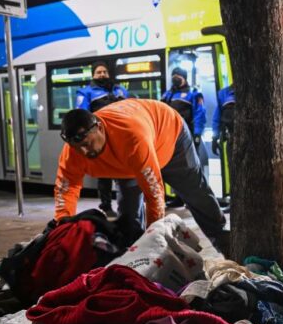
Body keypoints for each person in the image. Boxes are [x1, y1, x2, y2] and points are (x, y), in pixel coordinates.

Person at [54, 99, 227, 248]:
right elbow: (66, 191)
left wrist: (155, 238)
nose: (84, 152)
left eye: (88, 144)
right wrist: (63, 228)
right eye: (78, 148)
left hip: (171, 140)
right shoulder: (72, 153)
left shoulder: (130, 136)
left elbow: (154, 194)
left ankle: (227, 244)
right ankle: (135, 260)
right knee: (129, 219)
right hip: (129, 163)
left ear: (99, 127)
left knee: (197, 195)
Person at [75, 60, 131, 218]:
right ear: (93, 74)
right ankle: (106, 206)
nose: (102, 74)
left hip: (121, 138)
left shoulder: (120, 90)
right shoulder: (86, 92)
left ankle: (126, 206)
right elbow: (81, 115)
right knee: (104, 174)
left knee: (124, 173)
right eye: (98, 72)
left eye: (104, 72)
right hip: (101, 140)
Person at [162, 68, 206, 149]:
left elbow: (200, 113)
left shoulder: (193, 93)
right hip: (170, 134)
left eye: (178, 76)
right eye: (173, 76)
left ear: (184, 78)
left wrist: (197, 133)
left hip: (187, 133)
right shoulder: (167, 94)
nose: (175, 78)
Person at [212, 84, 236, 199]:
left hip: (249, 139)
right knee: (232, 169)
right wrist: (215, 137)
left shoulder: (251, 89)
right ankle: (234, 200)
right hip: (232, 138)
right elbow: (217, 117)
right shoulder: (224, 93)